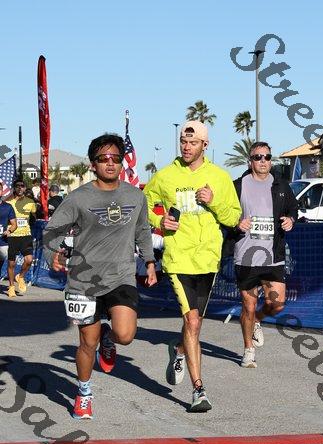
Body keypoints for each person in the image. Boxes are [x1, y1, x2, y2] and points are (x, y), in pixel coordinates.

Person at [43, 133, 156, 420]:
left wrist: (149, 261)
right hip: (84, 281)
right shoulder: (78, 198)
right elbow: (52, 231)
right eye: (103, 158)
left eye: (115, 158)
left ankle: (110, 336)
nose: (110, 163)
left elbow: (143, 230)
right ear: (93, 164)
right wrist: (53, 254)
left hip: (121, 276)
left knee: (125, 335)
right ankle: (83, 393)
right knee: (87, 343)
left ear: (122, 162)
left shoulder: (135, 196)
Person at [144, 120, 241, 412]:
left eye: (193, 143)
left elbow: (233, 217)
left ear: (205, 145)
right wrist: (159, 220)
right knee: (193, 322)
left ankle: (178, 349)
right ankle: (199, 391)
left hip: (208, 259)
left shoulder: (219, 177)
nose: (186, 147)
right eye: (183, 142)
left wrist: (213, 202)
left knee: (194, 324)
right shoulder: (165, 176)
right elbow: (142, 205)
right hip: (178, 258)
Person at [233, 141, 298, 368]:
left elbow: (293, 208)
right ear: (250, 161)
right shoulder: (238, 185)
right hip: (246, 256)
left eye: (267, 157)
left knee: (277, 304)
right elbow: (226, 214)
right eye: (258, 157)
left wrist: (290, 220)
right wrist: (236, 223)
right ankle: (248, 350)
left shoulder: (280, 184)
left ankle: (257, 321)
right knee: (248, 306)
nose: (263, 161)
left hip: (273, 255)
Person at [7, 180, 37, 298]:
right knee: (11, 263)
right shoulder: (9, 202)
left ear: (25, 188)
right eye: (17, 186)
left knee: (29, 260)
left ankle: (20, 277)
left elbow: (34, 217)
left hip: (26, 235)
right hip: (12, 236)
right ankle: (11, 287)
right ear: (14, 188)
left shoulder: (30, 202)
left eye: (22, 186)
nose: (20, 188)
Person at [0, 181, 17, 277]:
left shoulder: (8, 207)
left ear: (2, 192)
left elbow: (14, 224)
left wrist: (9, 231)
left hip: (2, 242)